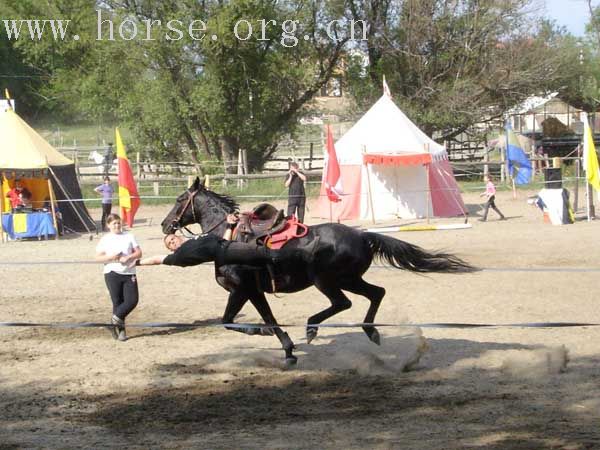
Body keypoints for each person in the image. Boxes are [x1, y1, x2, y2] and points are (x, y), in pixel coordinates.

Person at [137, 214, 318, 272]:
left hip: (226, 245)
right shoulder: (178, 256)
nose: (173, 241)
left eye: (172, 238)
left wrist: (230, 224)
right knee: (263, 252)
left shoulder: (197, 238)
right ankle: (303, 252)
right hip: (225, 252)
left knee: (260, 249)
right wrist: (137, 262)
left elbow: (224, 238)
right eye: (170, 243)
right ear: (171, 249)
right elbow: (156, 259)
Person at [95, 213, 142, 342]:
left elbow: (139, 252)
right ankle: (121, 331)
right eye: (114, 223)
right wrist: (111, 257)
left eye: (118, 222)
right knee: (117, 302)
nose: (117, 225)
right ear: (108, 225)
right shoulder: (105, 239)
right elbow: (98, 258)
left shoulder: (129, 236)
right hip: (112, 272)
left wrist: (129, 257)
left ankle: (113, 321)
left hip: (129, 272)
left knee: (132, 300)